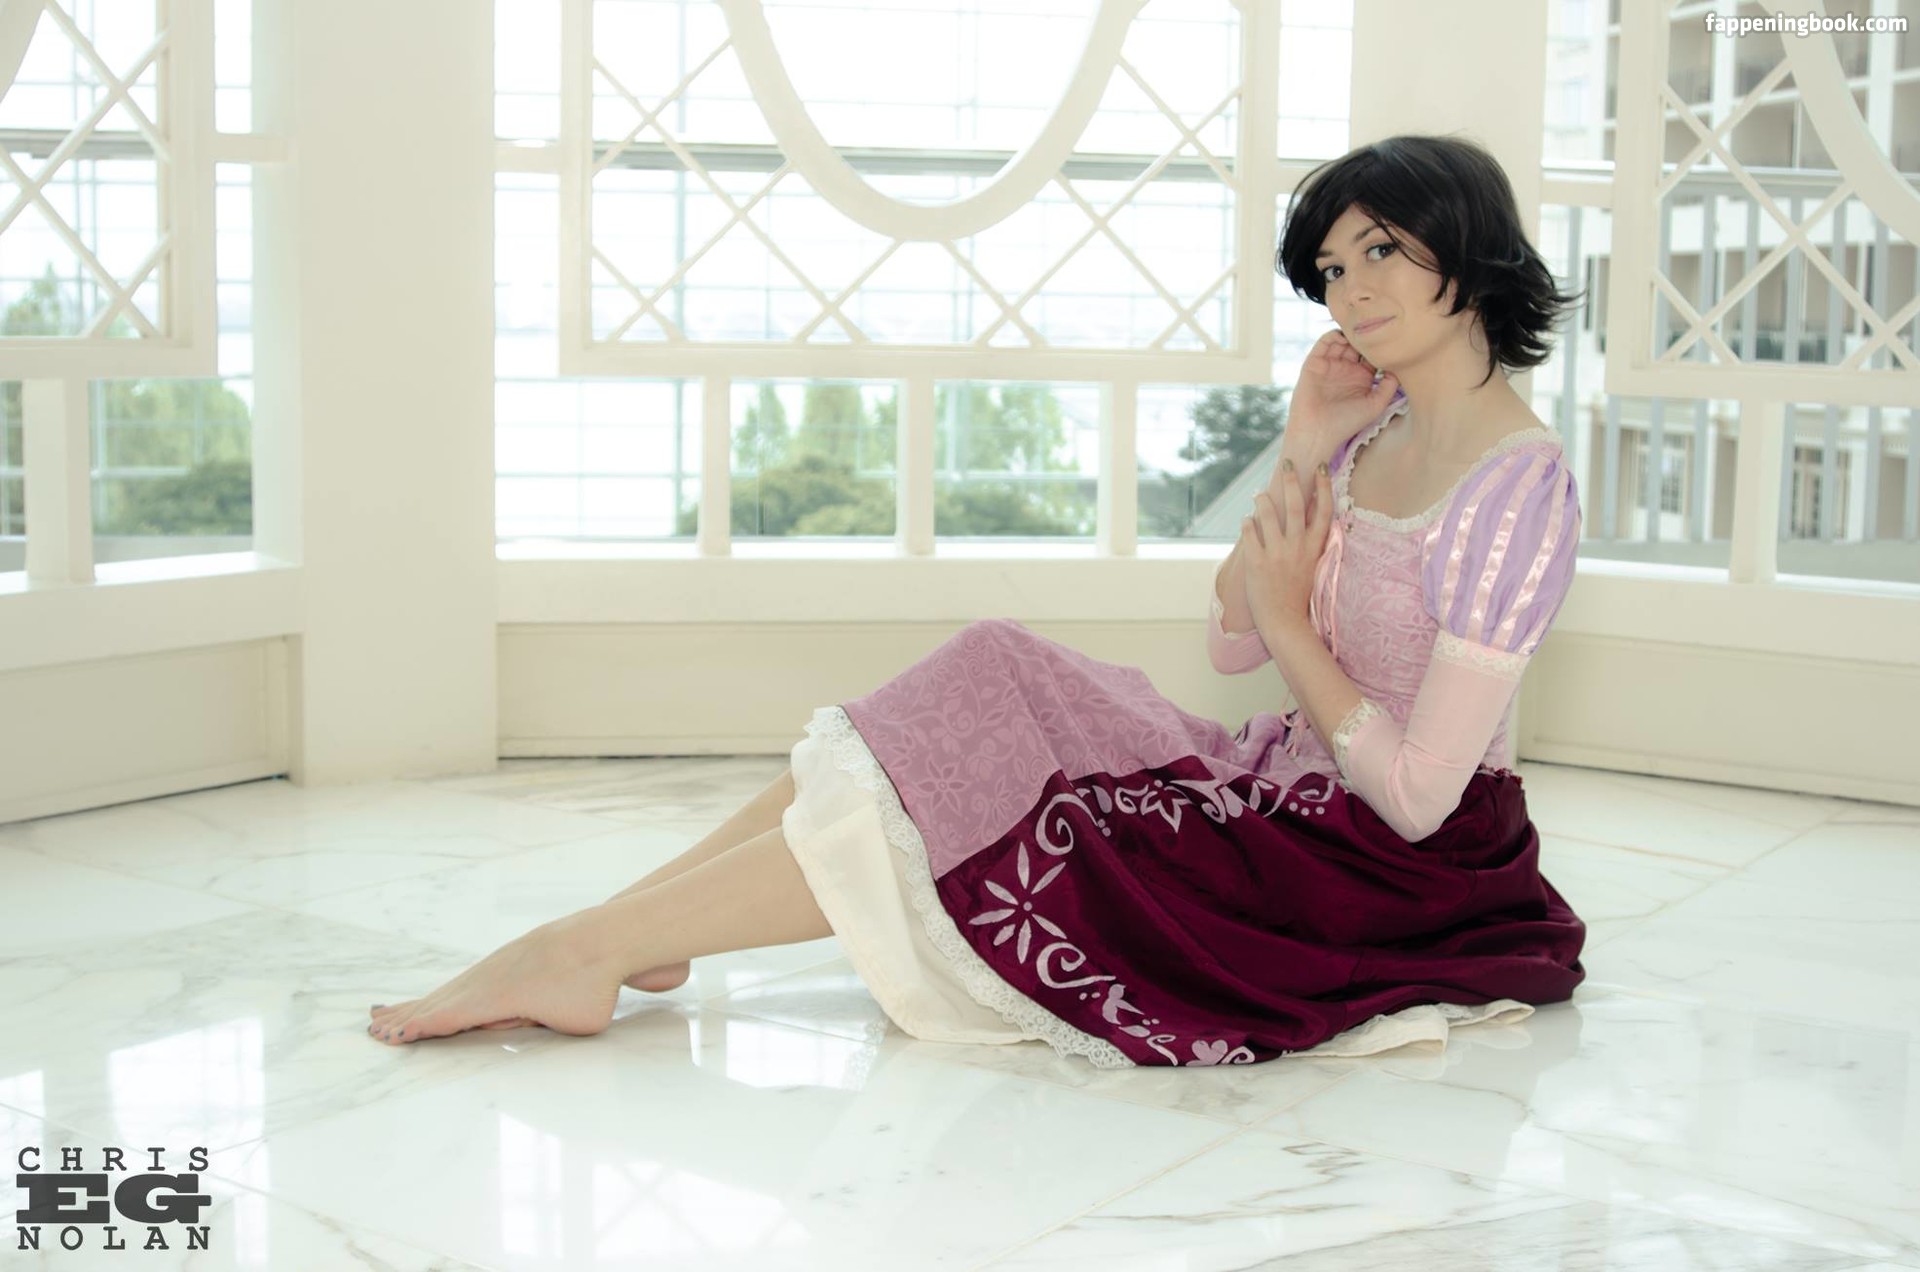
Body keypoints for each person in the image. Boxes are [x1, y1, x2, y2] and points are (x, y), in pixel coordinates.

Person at [366, 133, 1592, 1067]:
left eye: (1380, 251)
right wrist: (1302, 448)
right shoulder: (1368, 436)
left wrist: (1283, 617)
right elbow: (1233, 640)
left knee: (1015, 801)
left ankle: (585, 949)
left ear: (1467, 248)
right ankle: (624, 926)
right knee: (992, 664)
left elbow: (1420, 798)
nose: (1348, 290)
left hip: (1391, 866)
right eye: (1331, 267)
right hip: (1288, 779)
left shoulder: (1518, 492)